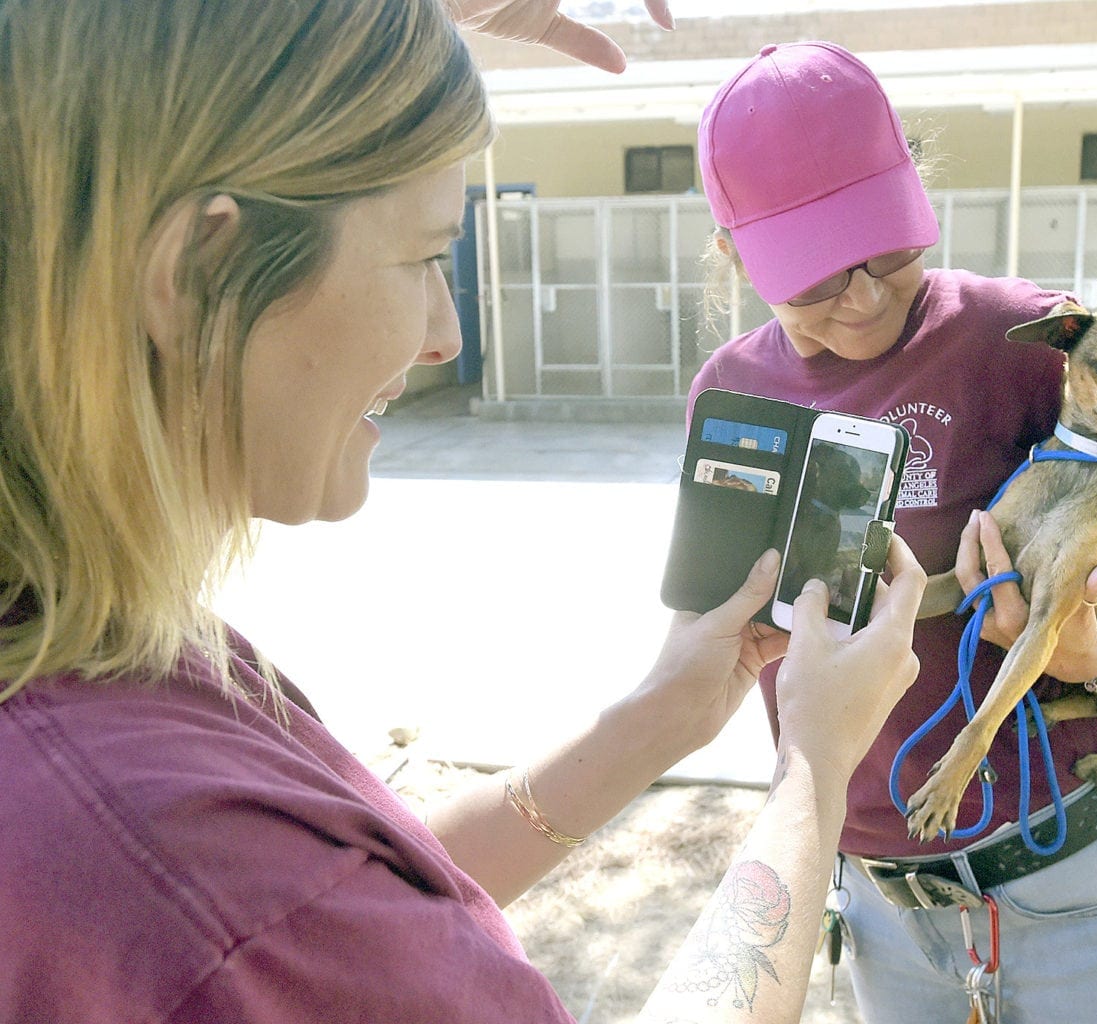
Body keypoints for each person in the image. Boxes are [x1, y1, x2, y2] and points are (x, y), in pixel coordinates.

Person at [0, 4, 929, 1022]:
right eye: (426, 256)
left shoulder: (73, 654)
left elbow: (343, 916)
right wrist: (812, 770)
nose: (446, 334)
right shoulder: (177, 865)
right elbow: (278, 923)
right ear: (198, 270)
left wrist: (664, 714)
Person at [691, 41, 1097, 1023]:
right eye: (815, 279)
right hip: (883, 909)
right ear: (735, 256)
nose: (868, 295)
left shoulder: (1027, 337)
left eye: (887, 246)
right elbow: (732, 637)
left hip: (1085, 883)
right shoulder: (732, 394)